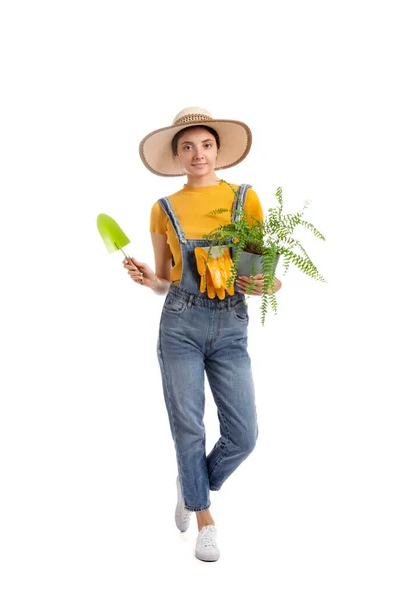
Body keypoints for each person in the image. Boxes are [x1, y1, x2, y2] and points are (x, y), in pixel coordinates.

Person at [123, 107, 282, 562]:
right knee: (189, 427)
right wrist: (148, 279)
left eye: (206, 145)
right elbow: (167, 278)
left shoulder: (245, 200)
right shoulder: (163, 209)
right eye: (188, 146)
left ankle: (191, 481)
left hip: (231, 325)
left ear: (218, 150)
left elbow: (262, 272)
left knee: (245, 435)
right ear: (177, 155)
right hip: (180, 325)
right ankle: (204, 519)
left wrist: (269, 283)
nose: (198, 154)